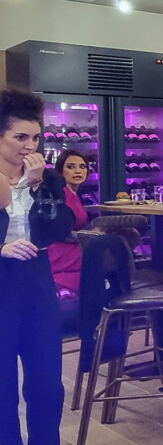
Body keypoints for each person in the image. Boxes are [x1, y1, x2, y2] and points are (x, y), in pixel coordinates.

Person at [0, 89, 63, 444]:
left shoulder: (47, 179)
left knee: (47, 383)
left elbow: (60, 230)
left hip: (37, 281)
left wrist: (38, 186)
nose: (30, 146)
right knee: (2, 386)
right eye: (20, 137)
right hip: (1, 283)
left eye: (36, 137)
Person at [47, 149, 91, 298]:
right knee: (104, 254)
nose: (78, 171)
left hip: (72, 246)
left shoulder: (73, 194)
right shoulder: (61, 194)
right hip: (60, 250)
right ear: (60, 171)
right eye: (71, 167)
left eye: (82, 167)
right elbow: (58, 230)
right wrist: (87, 237)